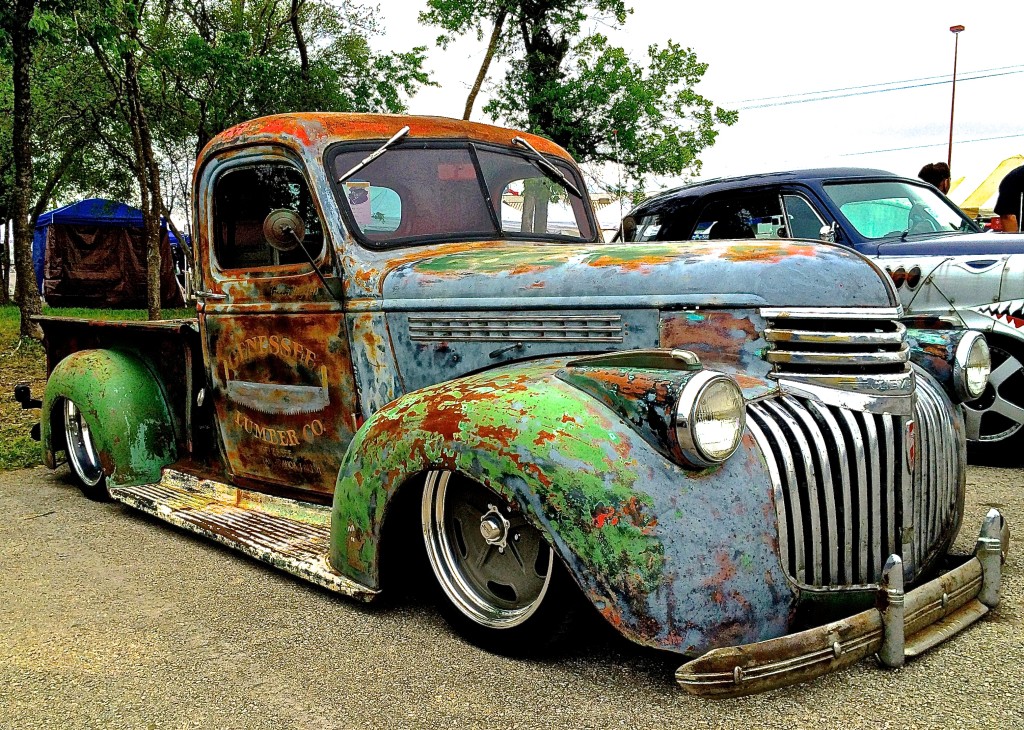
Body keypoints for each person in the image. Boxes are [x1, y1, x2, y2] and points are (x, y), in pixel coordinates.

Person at [994, 164, 1024, 233]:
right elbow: (1008, 216)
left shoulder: (1014, 177)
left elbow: (1007, 217)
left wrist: (1014, 242)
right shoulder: (1016, 177)